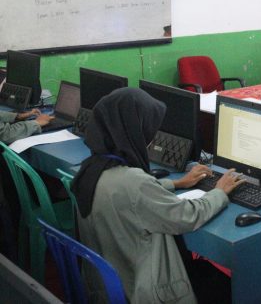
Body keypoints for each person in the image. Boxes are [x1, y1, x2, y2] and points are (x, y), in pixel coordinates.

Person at [72, 88, 243, 303]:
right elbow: (187, 216)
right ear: (131, 131)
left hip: (109, 288)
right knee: (225, 285)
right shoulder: (133, 182)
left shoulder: (91, 169)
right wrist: (219, 191)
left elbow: (125, 195)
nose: (151, 139)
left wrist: (177, 183)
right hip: (144, 290)